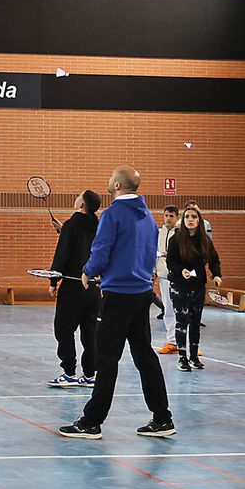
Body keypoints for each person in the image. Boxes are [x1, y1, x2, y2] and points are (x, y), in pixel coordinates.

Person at [58, 167, 174, 440]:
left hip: (118, 296)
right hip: (142, 293)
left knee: (106, 358)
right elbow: (147, 253)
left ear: (118, 184)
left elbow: (102, 249)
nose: (108, 179)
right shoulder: (148, 217)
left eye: (111, 176)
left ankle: (91, 421)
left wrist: (88, 271)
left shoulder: (112, 215)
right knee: (144, 355)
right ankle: (162, 417)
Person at [47, 189, 100, 388]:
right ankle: (90, 375)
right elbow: (86, 246)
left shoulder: (72, 225)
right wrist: (63, 230)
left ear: (81, 205)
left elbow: (63, 254)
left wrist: (53, 281)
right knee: (90, 330)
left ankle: (68, 372)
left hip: (73, 285)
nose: (75, 197)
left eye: (78, 195)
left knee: (63, 327)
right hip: (94, 286)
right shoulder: (99, 225)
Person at [167, 204, 222, 372]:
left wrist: (217, 274)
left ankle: (194, 357)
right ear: (183, 221)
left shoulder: (205, 241)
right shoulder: (175, 239)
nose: (190, 220)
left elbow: (213, 259)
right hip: (179, 286)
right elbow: (171, 262)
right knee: (182, 321)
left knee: (195, 322)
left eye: (194, 217)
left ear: (199, 220)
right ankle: (182, 358)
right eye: (187, 217)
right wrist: (180, 270)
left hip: (198, 286)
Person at [155, 205, 179, 354]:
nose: (168, 218)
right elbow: (152, 252)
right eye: (166, 215)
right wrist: (153, 271)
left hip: (179, 276)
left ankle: (187, 343)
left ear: (177, 217)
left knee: (183, 310)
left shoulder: (181, 233)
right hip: (164, 276)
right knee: (168, 309)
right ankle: (172, 342)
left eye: (171, 216)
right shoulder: (158, 233)